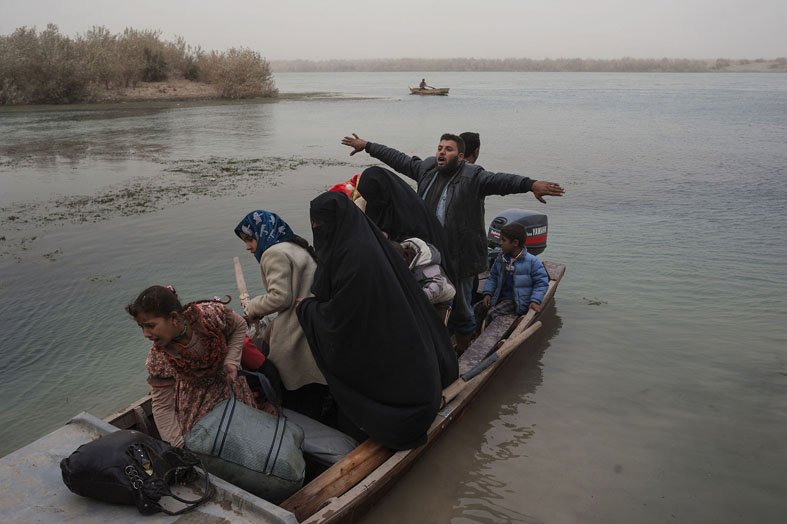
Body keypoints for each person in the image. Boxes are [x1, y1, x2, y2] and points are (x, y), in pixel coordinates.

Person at [339, 132, 565, 351]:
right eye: (439, 148)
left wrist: (530, 184)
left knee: (463, 308)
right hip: (430, 253)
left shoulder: (474, 177)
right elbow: (398, 159)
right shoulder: (426, 170)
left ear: (460, 156)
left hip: (461, 257)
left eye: (448, 149)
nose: (441, 153)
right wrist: (367, 145)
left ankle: (464, 350)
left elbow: (502, 181)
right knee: (429, 300)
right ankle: (434, 343)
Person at [296, 192, 458, 450]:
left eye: (321, 225)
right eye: (315, 225)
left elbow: (342, 318)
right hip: (411, 360)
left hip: (404, 400)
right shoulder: (368, 246)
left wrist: (306, 309)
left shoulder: (354, 259)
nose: (318, 230)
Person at [127, 285, 256, 447]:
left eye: (150, 326)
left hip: (236, 397)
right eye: (142, 327)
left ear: (174, 318)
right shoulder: (159, 357)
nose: (145, 334)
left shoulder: (210, 316)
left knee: (250, 445)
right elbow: (162, 407)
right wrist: (179, 446)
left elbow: (239, 325)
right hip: (201, 420)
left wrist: (231, 361)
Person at [234, 210, 329, 421]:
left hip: (296, 330)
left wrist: (251, 308)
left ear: (263, 233)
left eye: (250, 239)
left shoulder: (273, 253)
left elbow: (280, 297)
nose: (248, 247)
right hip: (313, 323)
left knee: (293, 386)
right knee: (315, 390)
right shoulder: (297, 247)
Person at [357, 166, 456, 284]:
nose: (372, 201)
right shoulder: (379, 204)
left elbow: (417, 241)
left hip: (425, 265)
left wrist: (387, 237)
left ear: (382, 191)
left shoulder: (409, 210)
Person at [477, 223, 549, 326]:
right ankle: (473, 334)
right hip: (499, 296)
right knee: (478, 308)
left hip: (516, 301)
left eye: (503, 240)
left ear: (515, 243)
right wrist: (488, 293)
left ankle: (484, 338)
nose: (500, 243)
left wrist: (535, 300)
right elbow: (493, 277)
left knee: (492, 314)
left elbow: (541, 283)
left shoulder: (532, 262)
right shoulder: (500, 259)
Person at [395, 237, 456, 320]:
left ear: (403, 259)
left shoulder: (424, 264)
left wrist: (415, 298)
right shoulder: (403, 259)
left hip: (441, 300)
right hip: (423, 297)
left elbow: (436, 285)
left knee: (437, 330)